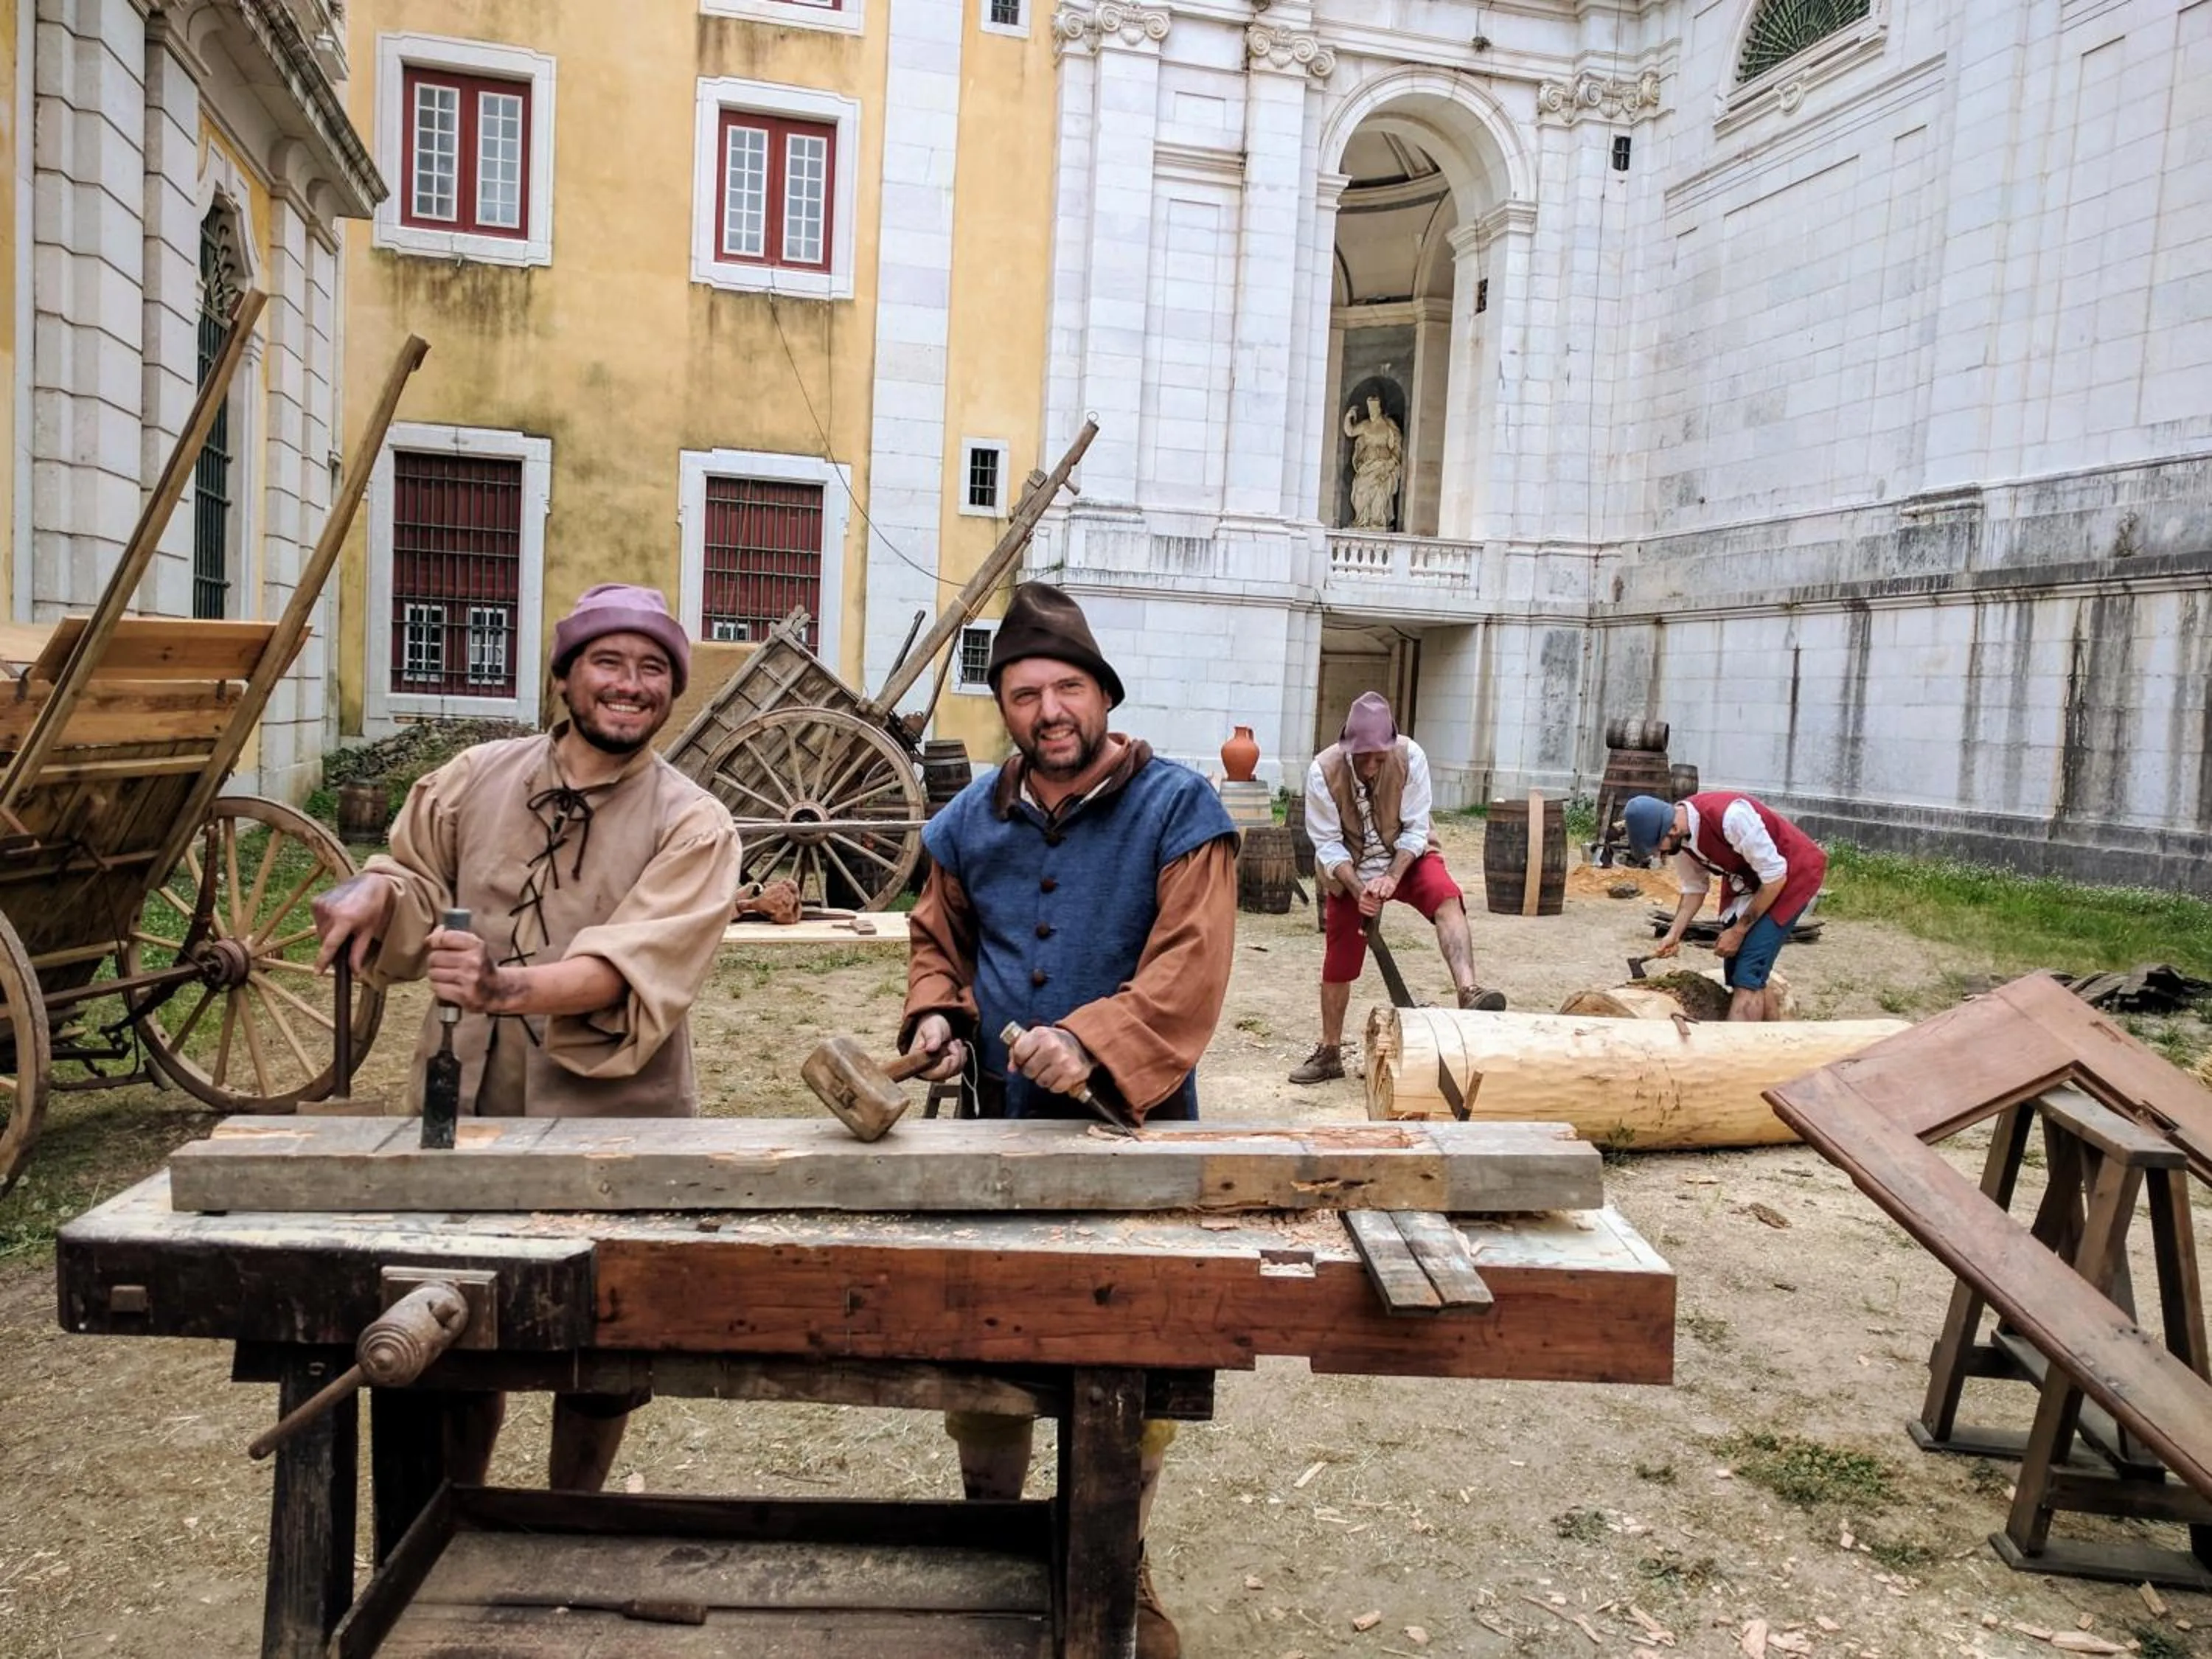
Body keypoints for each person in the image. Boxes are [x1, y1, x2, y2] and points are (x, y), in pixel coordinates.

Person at [310, 583, 741, 1489]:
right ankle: (455, 1519)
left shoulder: (692, 823)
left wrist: (508, 985)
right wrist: (374, 891)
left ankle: (572, 1519)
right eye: (609, 664)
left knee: (601, 1346)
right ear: (567, 677)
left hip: (617, 1118)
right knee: (456, 1328)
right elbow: (412, 873)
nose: (631, 686)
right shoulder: (473, 778)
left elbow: (635, 963)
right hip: (460, 1106)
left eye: (654, 669)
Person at [902, 580, 1237, 1659]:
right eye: (1024, 692)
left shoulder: (1182, 809)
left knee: (1132, 1361)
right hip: (994, 1133)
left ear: (1104, 694)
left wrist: (1091, 1040)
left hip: (1136, 1133)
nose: (1049, 710)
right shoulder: (967, 819)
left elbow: (1190, 969)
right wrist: (941, 1016)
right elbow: (936, 941)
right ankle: (991, 1551)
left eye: (1068, 688)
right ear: (1002, 705)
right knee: (985, 1352)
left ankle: (1114, 1558)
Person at [1290, 692, 1505, 1085]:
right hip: (1350, 870)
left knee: (1446, 898)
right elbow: (1327, 844)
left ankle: (1469, 990)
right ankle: (1330, 1052)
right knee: (1339, 956)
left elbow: (1416, 829)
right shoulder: (1323, 771)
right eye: (1363, 756)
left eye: (1379, 756)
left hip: (1407, 857)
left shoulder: (1411, 756)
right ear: (1347, 747)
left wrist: (1392, 877)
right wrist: (1359, 890)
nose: (1371, 765)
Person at [1625, 790, 1826, 1022]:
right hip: (1751, 878)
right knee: (1736, 969)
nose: (1659, 853)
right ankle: (1775, 1035)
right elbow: (1694, 889)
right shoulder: (1680, 840)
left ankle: (1739, 1052)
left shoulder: (1732, 817)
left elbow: (1775, 877)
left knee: (1748, 972)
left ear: (1670, 829)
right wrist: (1674, 933)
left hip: (1790, 874)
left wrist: (1739, 931)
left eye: (1657, 847)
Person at [1342, 393, 1404, 531]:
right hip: (1367, 464)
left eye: (1374, 410)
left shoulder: (1388, 425)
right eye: (1370, 410)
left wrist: (1393, 461)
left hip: (1383, 464)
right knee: (1360, 490)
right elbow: (1350, 431)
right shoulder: (1365, 425)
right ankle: (1362, 519)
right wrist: (1348, 417)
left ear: (1379, 409)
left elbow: (1397, 443)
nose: (1372, 413)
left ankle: (1377, 521)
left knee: (1380, 492)